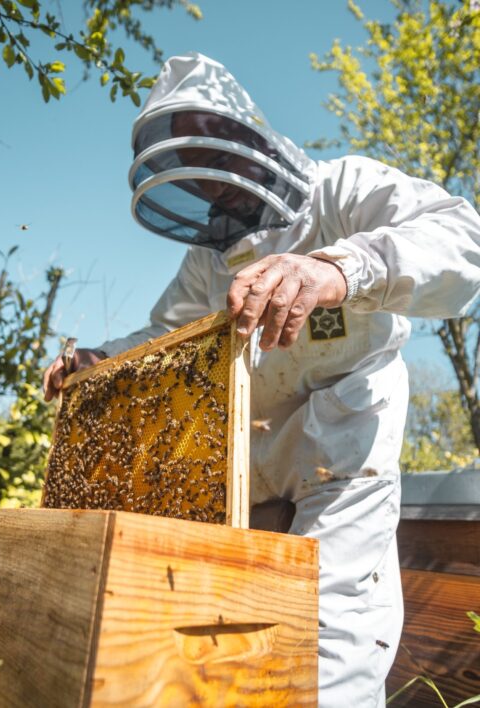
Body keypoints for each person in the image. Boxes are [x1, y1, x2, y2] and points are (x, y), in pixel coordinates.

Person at [43, 52, 480, 706]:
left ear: (247, 131)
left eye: (214, 141)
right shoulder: (209, 261)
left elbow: (465, 240)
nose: (215, 177)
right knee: (220, 622)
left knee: (335, 625)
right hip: (248, 447)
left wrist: (338, 269)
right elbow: (165, 337)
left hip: (347, 434)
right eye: (195, 158)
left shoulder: (343, 189)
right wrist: (97, 360)